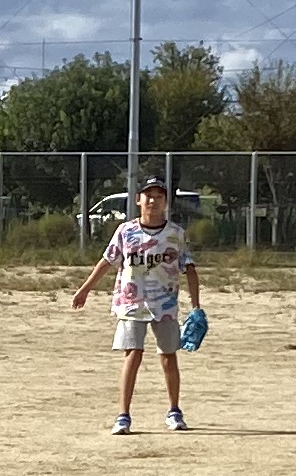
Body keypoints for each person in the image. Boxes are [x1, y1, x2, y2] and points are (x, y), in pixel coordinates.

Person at [74, 178, 203, 434]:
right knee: (132, 354)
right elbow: (108, 261)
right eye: (148, 195)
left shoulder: (175, 234)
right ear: (138, 200)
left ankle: (174, 411)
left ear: (166, 202)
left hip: (164, 303)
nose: (153, 201)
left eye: (159, 196)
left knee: (168, 357)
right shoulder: (126, 231)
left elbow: (189, 269)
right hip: (131, 301)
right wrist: (85, 288)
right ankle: (123, 416)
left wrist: (197, 307)